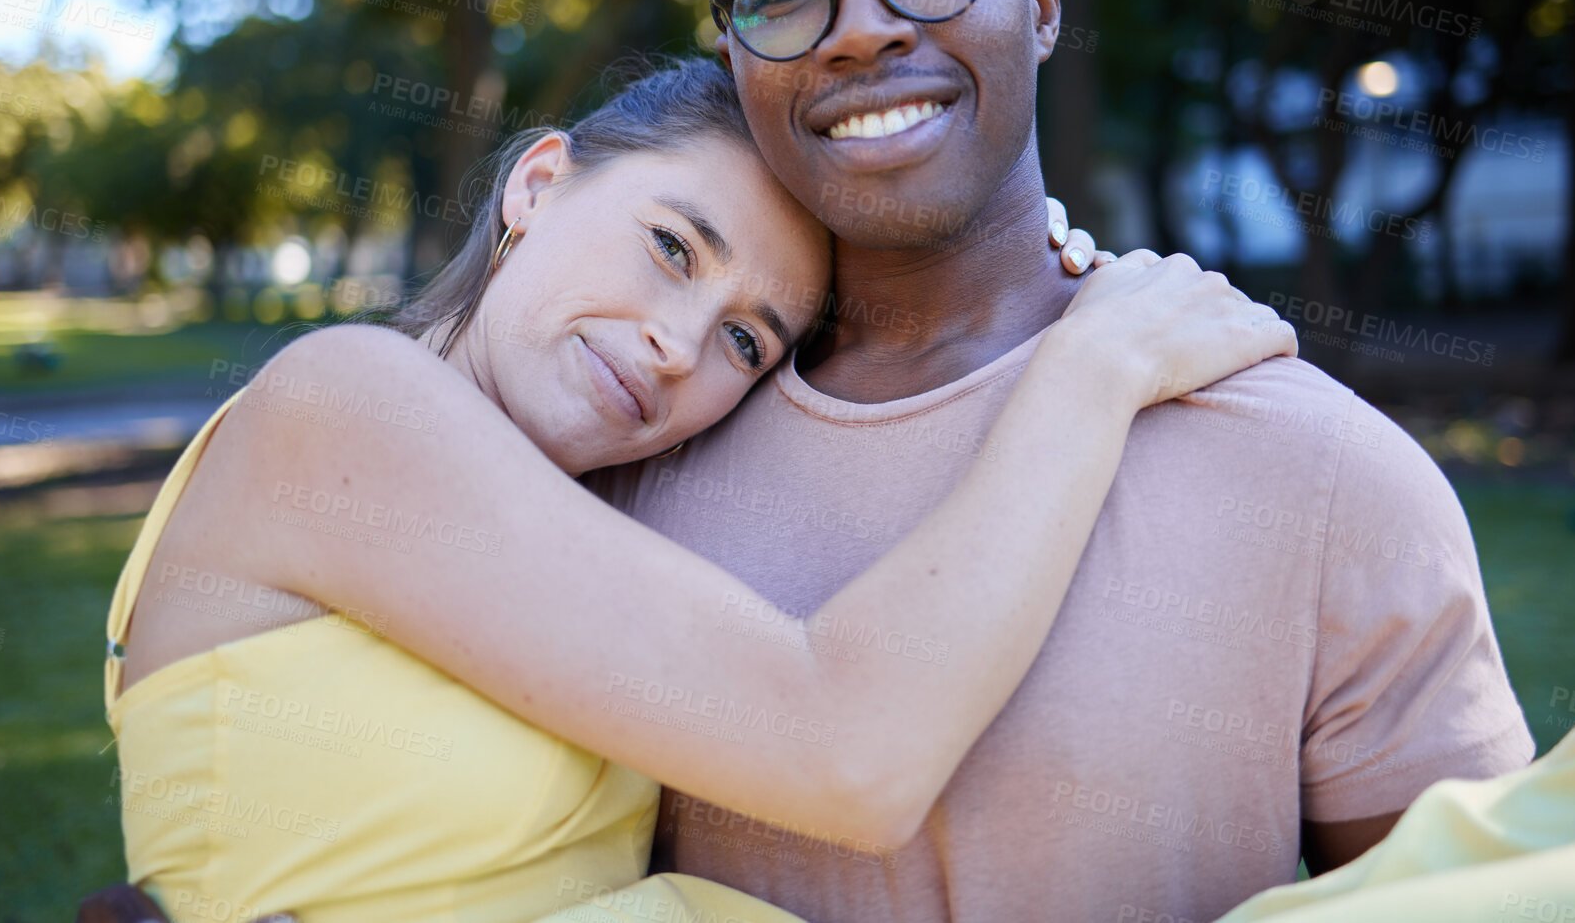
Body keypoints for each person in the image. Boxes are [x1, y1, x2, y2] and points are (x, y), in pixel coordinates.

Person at [579, 0, 1538, 923]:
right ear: (734, 50)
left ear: (1037, 8)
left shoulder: (1325, 472)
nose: (863, 28)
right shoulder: (619, 454)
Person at [98, 57, 1294, 922]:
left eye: (745, 342)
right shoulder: (340, 403)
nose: (678, 344)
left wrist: (1010, 272)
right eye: (673, 247)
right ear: (538, 185)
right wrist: (1089, 369)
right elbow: (851, 755)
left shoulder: (589, 507)